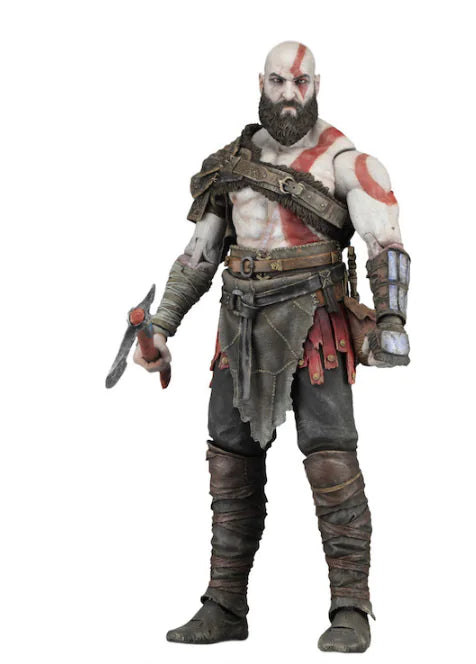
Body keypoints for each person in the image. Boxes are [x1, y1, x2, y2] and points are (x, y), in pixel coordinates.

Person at [134, 41, 410, 653]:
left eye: (301, 82)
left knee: (331, 456)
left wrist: (391, 318)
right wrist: (162, 327)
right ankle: (223, 605)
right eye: (280, 81)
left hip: (316, 321)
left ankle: (351, 609)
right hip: (239, 324)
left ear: (317, 85)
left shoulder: (345, 159)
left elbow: (385, 242)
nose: (290, 94)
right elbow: (200, 255)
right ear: (261, 83)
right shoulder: (233, 163)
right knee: (229, 461)